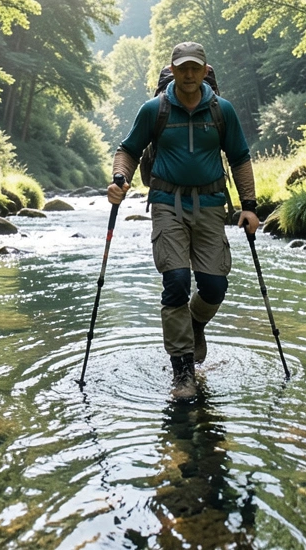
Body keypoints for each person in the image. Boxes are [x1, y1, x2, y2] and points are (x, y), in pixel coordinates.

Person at [108, 41, 259, 399]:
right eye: (182, 68)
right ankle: (183, 373)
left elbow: (240, 158)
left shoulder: (222, 111)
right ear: (172, 70)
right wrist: (119, 179)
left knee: (214, 287)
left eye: (195, 68)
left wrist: (250, 207)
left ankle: (194, 324)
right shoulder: (154, 111)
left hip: (210, 205)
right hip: (166, 203)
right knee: (175, 280)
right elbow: (127, 151)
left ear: (205, 70)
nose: (189, 74)